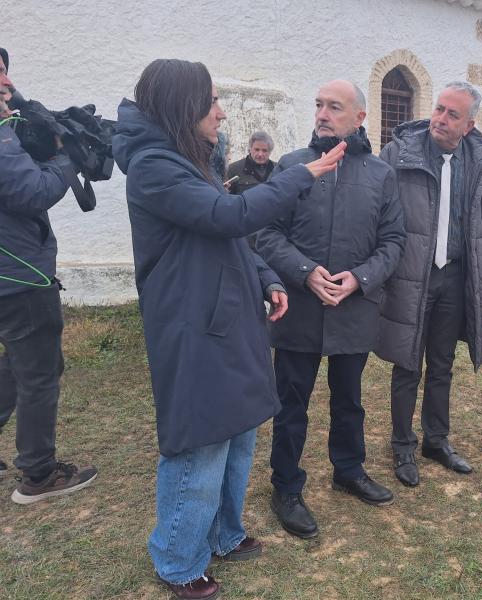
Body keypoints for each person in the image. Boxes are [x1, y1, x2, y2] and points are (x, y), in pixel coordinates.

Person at [112, 59, 343, 599]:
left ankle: (223, 533)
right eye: (211, 101)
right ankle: (177, 560)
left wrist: (266, 278)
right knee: (201, 443)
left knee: (239, 433)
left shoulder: (193, 159)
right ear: (181, 106)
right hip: (194, 326)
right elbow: (227, 216)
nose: (221, 111)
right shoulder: (154, 166)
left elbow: (231, 235)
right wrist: (298, 175)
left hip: (230, 317)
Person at [257, 79, 405, 539]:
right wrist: (305, 271)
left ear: (360, 117)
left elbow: (393, 242)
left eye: (334, 107)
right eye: (318, 105)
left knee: (350, 401)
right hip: (299, 308)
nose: (322, 113)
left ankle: (349, 469)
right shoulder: (292, 166)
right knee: (290, 403)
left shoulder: (381, 175)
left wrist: (359, 279)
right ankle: (286, 485)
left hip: (354, 308)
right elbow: (266, 233)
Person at [377, 81, 482, 487]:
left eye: (452, 114)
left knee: (443, 365)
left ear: (469, 124)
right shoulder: (400, 153)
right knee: (407, 362)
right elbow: (379, 212)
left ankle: (436, 440)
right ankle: (402, 446)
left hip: (455, 276)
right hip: (412, 274)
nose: (441, 119)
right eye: (439, 109)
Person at [0, 47, 98, 503]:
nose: (6, 85)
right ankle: (38, 475)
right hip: (20, 278)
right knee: (40, 369)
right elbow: (31, 190)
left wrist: (25, 108)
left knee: (17, 364)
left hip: (10, 274)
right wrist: (67, 157)